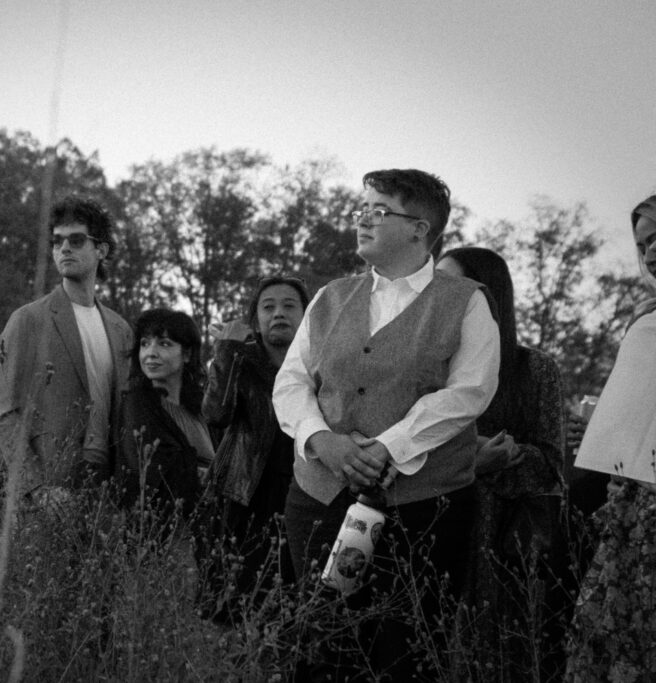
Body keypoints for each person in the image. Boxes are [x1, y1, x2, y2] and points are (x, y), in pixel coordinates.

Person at [273, 169, 500, 680]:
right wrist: (322, 440)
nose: (362, 219)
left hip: (425, 508)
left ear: (419, 228)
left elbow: (469, 392)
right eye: (361, 209)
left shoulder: (467, 301)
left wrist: (387, 447)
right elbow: (291, 383)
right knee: (319, 648)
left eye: (378, 210)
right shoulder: (329, 297)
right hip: (319, 498)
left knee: (407, 654)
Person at [436, 246, 565, 679]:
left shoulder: (536, 369)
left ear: (486, 294)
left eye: (450, 282)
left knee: (493, 660)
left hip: (503, 543)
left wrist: (502, 455)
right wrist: (469, 458)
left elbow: (551, 464)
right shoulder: (428, 365)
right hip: (430, 529)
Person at [565, 195, 656, 681]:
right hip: (632, 505)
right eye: (643, 243)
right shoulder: (645, 315)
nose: (650, 250)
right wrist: (601, 425)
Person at [0, 195, 133, 505]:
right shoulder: (29, 320)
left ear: (102, 249)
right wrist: (36, 487)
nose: (64, 248)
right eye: (57, 242)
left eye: (76, 240)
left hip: (111, 487)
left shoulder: (121, 330)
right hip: (50, 488)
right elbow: (3, 412)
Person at [201, 275, 310, 621]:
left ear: (307, 315)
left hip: (304, 494)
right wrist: (227, 351)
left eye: (289, 306)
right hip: (244, 499)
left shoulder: (319, 364)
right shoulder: (239, 361)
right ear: (256, 321)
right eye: (269, 307)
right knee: (236, 608)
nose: (279, 313)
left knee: (294, 606)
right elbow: (216, 413)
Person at [115, 308, 215, 523]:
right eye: (145, 343)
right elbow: (152, 471)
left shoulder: (200, 410)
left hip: (206, 531)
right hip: (160, 534)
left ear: (187, 354)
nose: (150, 353)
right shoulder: (138, 404)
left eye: (164, 343)